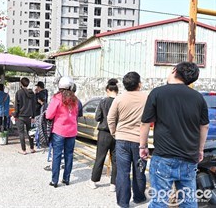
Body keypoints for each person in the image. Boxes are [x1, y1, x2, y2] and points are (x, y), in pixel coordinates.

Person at [139, 62, 209, 207]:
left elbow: (145, 123)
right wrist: (200, 149)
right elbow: (205, 125)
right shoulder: (198, 97)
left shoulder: (157, 93)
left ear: (174, 70)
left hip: (164, 157)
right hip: (189, 157)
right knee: (189, 201)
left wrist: (143, 146)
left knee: (159, 200)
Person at [107, 72, 148, 208]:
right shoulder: (146, 98)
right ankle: (139, 197)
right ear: (139, 84)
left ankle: (123, 202)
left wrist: (114, 133)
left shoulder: (119, 99)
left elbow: (111, 118)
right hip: (140, 140)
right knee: (139, 170)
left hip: (122, 139)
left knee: (123, 172)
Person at [46, 76, 78, 188]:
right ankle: (66, 178)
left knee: (57, 155)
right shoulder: (75, 99)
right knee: (69, 155)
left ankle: (55, 181)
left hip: (59, 131)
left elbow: (48, 115)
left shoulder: (57, 98)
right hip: (72, 131)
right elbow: (76, 114)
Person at [87, 78, 118, 192]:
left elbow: (97, 117)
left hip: (104, 133)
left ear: (107, 90)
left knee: (100, 157)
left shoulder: (103, 101)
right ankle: (113, 184)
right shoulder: (119, 101)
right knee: (115, 160)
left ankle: (94, 181)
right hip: (116, 133)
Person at [13, 78, 36, 155]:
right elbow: (34, 105)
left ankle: (23, 150)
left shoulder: (18, 93)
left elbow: (17, 106)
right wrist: (33, 116)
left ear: (21, 84)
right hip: (29, 116)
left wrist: (15, 115)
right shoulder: (32, 93)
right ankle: (32, 148)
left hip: (21, 116)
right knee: (30, 132)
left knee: (21, 133)